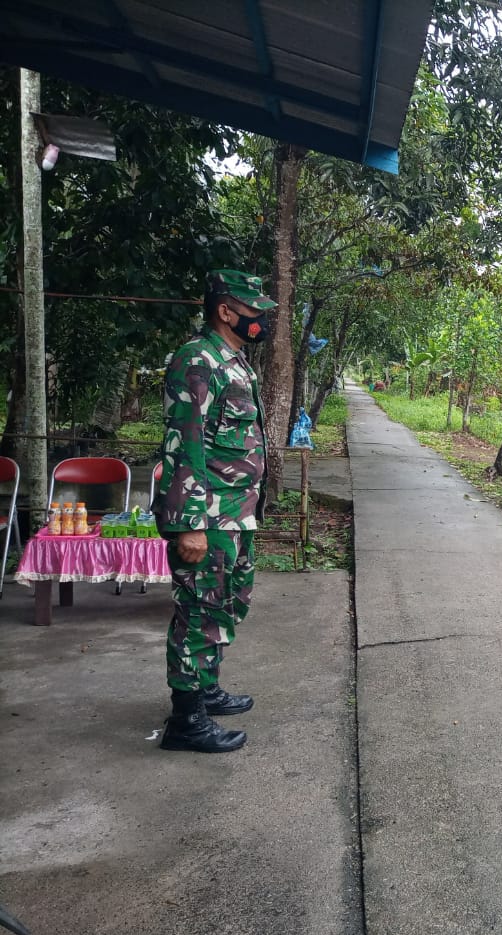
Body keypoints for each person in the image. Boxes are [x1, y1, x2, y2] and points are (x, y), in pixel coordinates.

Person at [154, 269, 275, 753]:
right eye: (253, 311)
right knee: (201, 610)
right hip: (209, 515)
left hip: (236, 513)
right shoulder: (197, 360)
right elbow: (185, 444)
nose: (260, 320)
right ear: (226, 310)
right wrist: (191, 523)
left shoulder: (235, 361)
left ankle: (204, 687)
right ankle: (186, 721)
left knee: (228, 603)